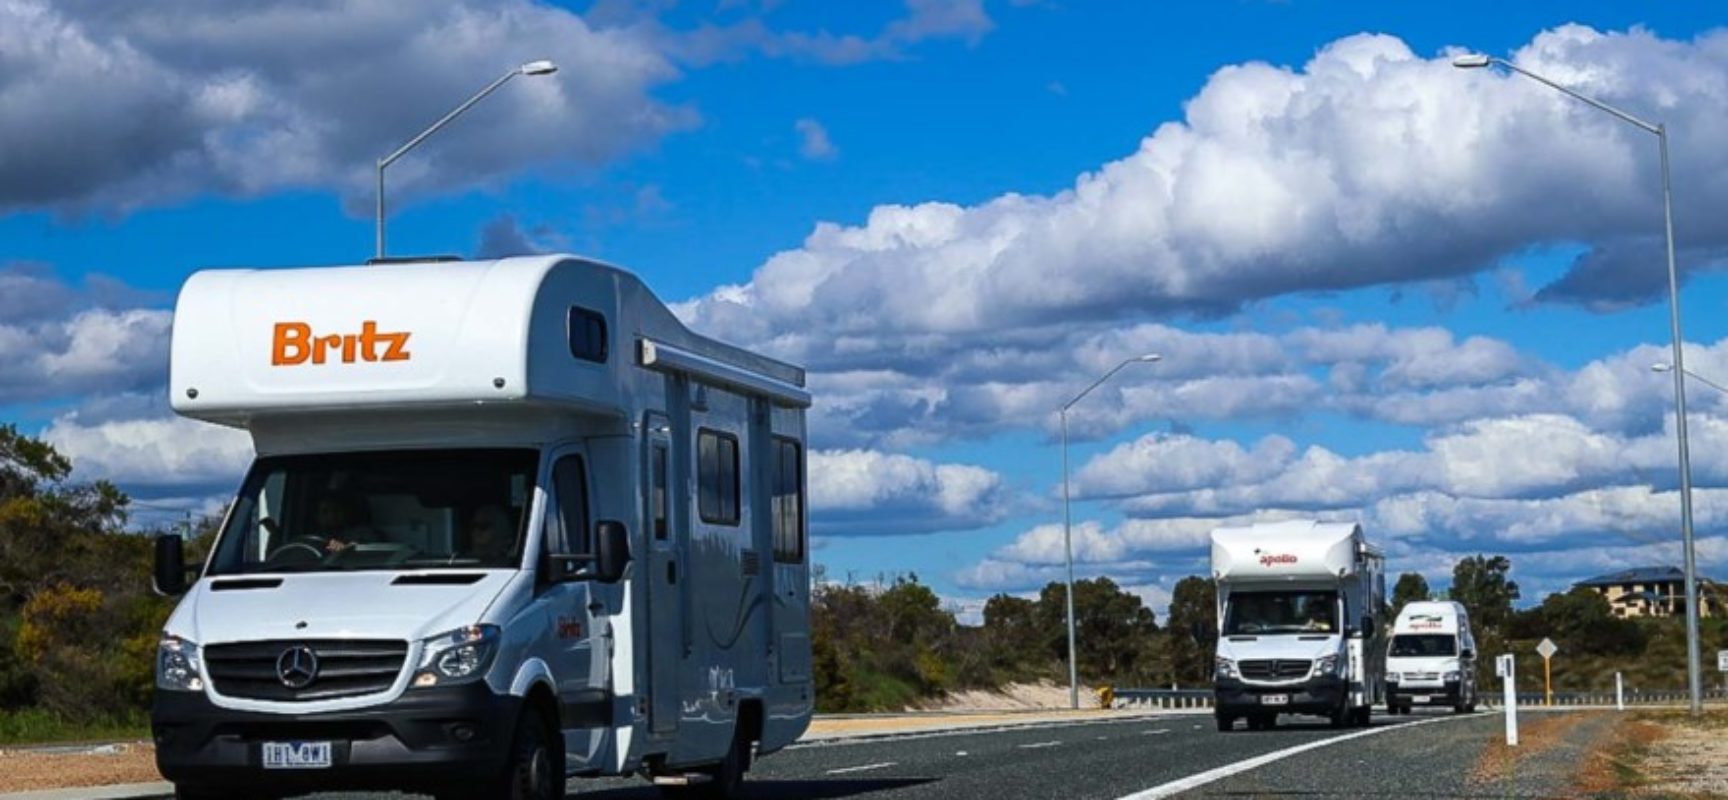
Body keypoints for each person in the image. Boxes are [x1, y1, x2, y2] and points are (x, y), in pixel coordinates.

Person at [313, 494, 379, 553]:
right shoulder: (313, 539)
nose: (332, 515)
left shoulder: (362, 533)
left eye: (336, 510)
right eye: (325, 512)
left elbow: (374, 549)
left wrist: (350, 546)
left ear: (345, 512)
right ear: (317, 516)